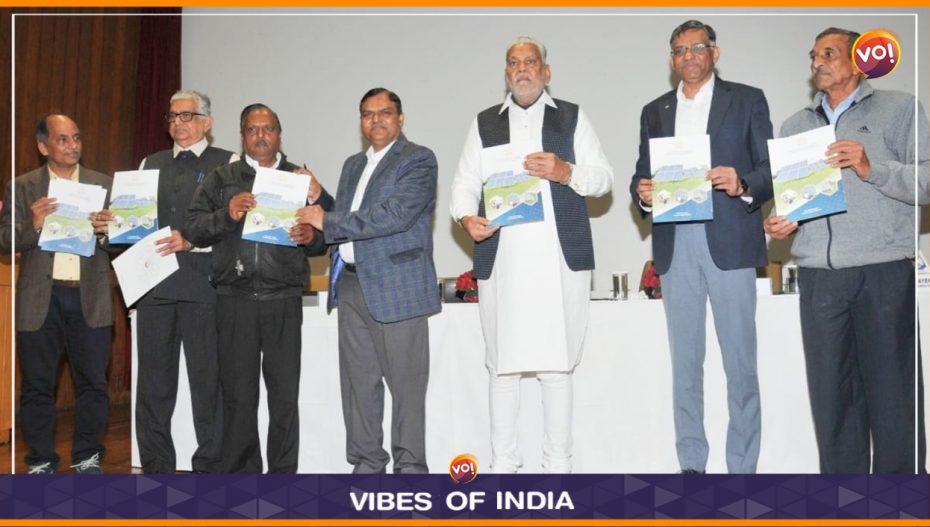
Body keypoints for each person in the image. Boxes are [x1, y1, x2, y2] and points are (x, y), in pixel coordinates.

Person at [764, 27, 928, 473]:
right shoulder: (795, 126)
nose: (817, 62)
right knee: (832, 402)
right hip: (819, 277)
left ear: (857, 62)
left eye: (828, 54)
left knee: (894, 399)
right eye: (813, 55)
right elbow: (795, 200)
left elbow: (927, 181)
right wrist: (782, 220)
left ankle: (903, 499)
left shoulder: (900, 109)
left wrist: (872, 167)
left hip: (882, 271)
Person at [450, 36, 614, 473]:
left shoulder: (572, 116)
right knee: (502, 369)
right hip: (503, 261)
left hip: (559, 262)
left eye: (530, 62)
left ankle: (558, 468)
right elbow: (464, 183)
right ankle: (503, 468)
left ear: (546, 72)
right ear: (506, 73)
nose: (521, 69)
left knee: (556, 368)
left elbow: (603, 179)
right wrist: (466, 217)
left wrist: (566, 171)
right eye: (513, 63)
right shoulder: (484, 123)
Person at [630, 20, 773, 474]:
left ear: (715, 52)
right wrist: (643, 193)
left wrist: (743, 181)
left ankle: (742, 468)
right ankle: (691, 463)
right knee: (685, 365)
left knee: (740, 363)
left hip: (729, 241)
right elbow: (641, 173)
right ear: (671, 59)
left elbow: (770, 167)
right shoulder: (654, 110)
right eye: (679, 50)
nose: (688, 56)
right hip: (676, 243)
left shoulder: (747, 99)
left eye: (697, 47)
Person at [297, 87, 439, 474]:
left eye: (384, 112)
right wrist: (319, 197)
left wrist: (325, 218)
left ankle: (410, 471)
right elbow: (345, 219)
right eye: (367, 114)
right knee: (358, 386)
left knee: (406, 389)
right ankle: (366, 466)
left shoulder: (418, 159)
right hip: (350, 285)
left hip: (398, 288)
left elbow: (393, 215)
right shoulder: (353, 165)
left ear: (400, 118)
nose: (376, 120)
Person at [186, 103, 333, 473]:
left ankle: (283, 477)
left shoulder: (299, 179)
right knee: (238, 397)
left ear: (279, 134)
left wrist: (310, 237)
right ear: (242, 136)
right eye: (252, 129)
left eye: (268, 128)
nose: (261, 136)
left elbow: (327, 233)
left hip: (283, 299)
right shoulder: (221, 178)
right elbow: (194, 228)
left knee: (284, 397)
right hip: (234, 300)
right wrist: (227, 214)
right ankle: (242, 476)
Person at [0, 114, 115, 474]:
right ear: (43, 146)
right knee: (37, 385)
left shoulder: (103, 185)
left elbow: (123, 243)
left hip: (89, 298)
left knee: (93, 384)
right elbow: (5, 241)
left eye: (76, 138)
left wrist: (107, 233)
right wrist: (32, 225)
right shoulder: (22, 187)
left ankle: (87, 456)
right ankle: (40, 460)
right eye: (62, 139)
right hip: (41, 299)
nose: (73, 145)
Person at [133, 90, 236, 473]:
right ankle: (156, 467)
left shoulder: (229, 162)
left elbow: (234, 223)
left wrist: (194, 241)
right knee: (153, 386)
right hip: (154, 286)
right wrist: (113, 224)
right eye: (173, 116)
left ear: (207, 122)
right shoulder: (149, 163)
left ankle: (210, 468)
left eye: (187, 115)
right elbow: (136, 219)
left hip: (205, 286)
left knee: (209, 384)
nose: (178, 123)